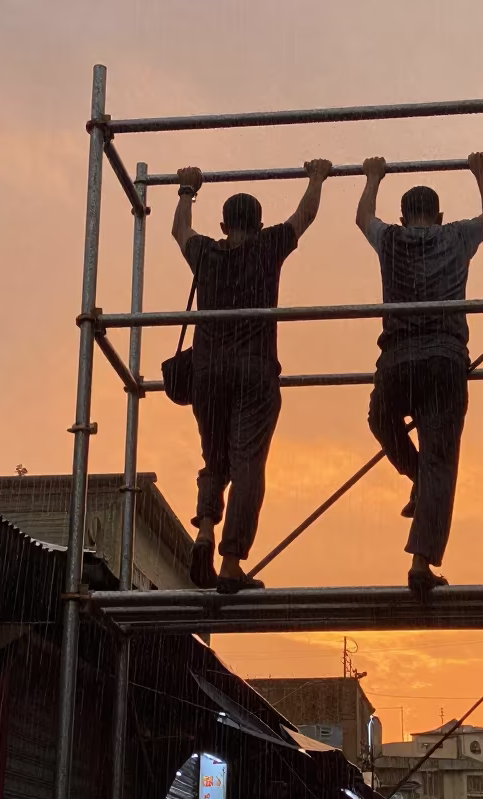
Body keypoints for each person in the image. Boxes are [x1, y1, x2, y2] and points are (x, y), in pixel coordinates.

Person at [173, 159, 334, 593]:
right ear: (260, 224)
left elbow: (180, 231)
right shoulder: (267, 248)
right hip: (254, 371)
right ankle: (229, 563)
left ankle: (205, 530)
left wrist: (187, 190)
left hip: (207, 373)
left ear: (223, 224)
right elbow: (305, 216)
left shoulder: (206, 252)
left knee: (215, 460)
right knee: (248, 466)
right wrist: (317, 177)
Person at [355, 152, 483, 594]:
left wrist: (373, 176)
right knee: (440, 460)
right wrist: (481, 173)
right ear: (437, 216)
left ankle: (418, 477)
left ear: (403, 217)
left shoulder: (390, 240)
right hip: (444, 357)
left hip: (397, 360)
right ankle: (421, 561)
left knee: (380, 419)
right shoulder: (455, 236)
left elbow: (363, 216)